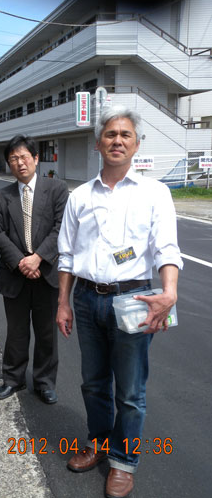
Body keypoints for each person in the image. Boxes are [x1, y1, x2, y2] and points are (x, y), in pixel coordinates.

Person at [56, 105, 182, 498]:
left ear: (136, 144)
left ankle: (124, 462)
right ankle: (97, 443)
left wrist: (169, 292)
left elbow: (166, 249)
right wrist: (63, 303)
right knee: (93, 382)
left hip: (134, 299)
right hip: (86, 299)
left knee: (130, 391)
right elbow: (66, 255)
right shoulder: (80, 196)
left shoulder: (154, 193)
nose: (117, 141)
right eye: (110, 134)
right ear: (97, 143)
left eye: (125, 135)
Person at [0, 135, 68, 404]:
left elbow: (61, 227)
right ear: (9, 163)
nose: (20, 163)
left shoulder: (57, 189)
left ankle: (44, 382)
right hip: (15, 275)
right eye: (13, 159)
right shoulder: (0, 196)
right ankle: (13, 379)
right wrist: (23, 262)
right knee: (16, 332)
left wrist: (38, 258)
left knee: (47, 333)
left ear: (35, 158)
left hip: (46, 274)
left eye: (24, 157)